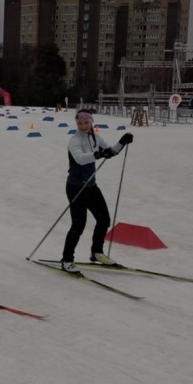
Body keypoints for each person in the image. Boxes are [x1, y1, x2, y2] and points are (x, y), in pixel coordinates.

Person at [61, 110, 134, 273]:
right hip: (75, 187)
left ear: (91, 122)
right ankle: (66, 259)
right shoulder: (74, 141)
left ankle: (97, 252)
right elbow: (80, 159)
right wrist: (99, 154)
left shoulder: (96, 138)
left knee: (104, 219)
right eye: (80, 123)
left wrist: (122, 142)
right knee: (78, 224)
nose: (83, 126)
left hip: (91, 186)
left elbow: (111, 151)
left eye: (86, 122)